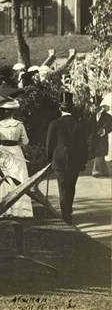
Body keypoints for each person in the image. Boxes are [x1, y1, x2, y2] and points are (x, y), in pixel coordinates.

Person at [0, 99, 33, 218]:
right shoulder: (19, 125)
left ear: (3, 112)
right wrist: (19, 141)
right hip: (16, 152)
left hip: (3, 152)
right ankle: (19, 210)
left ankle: (1, 209)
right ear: (13, 112)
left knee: (2, 178)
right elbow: (26, 142)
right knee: (18, 177)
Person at [46, 92, 89, 225]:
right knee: (71, 187)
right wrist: (84, 162)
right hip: (75, 162)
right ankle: (67, 213)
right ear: (72, 108)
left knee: (63, 188)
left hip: (59, 161)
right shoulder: (78, 124)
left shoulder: (54, 124)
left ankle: (66, 216)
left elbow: (49, 144)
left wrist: (49, 160)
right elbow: (84, 145)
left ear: (60, 108)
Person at [91, 96, 112, 178]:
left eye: (96, 106)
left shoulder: (108, 116)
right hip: (95, 138)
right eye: (94, 106)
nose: (94, 107)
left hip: (102, 138)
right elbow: (91, 126)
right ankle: (104, 171)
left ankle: (95, 171)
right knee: (100, 154)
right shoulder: (93, 115)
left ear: (100, 106)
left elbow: (110, 126)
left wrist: (105, 130)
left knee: (98, 153)